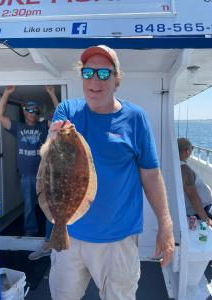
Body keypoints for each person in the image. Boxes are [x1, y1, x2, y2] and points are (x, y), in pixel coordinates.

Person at [47, 45, 175, 300]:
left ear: (117, 80)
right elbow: (51, 161)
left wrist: (166, 225)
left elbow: (150, 175)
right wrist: (52, 140)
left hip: (118, 240)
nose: (95, 80)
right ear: (81, 75)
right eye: (88, 72)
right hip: (69, 235)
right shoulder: (67, 111)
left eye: (104, 74)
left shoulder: (135, 118)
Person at [0, 85, 59, 259]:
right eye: (28, 109)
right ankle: (30, 235)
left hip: (44, 176)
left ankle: (48, 239)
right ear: (24, 112)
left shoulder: (43, 127)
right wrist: (7, 93)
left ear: (37, 112)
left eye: (34, 110)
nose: (31, 112)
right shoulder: (18, 127)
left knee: (48, 207)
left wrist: (52, 94)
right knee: (29, 206)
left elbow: (61, 117)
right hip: (26, 176)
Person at [177, 137, 212, 226]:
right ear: (187, 151)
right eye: (192, 148)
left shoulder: (177, 165)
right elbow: (193, 196)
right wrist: (206, 220)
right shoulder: (184, 169)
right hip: (201, 211)